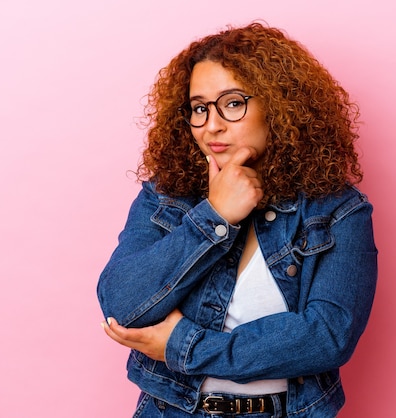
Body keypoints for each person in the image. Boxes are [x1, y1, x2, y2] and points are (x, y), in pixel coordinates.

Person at [98, 22, 378, 418]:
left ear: (279, 105)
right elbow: (122, 309)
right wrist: (215, 216)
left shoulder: (336, 209)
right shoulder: (166, 197)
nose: (212, 125)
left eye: (232, 103)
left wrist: (186, 346)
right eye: (199, 108)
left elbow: (328, 336)